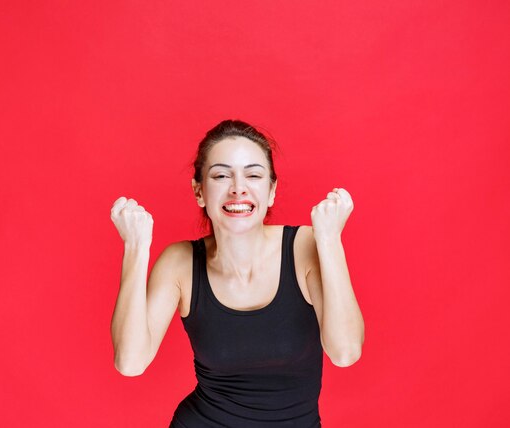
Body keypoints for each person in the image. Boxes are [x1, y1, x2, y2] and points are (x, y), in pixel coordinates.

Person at [110, 119, 364, 427]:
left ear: (271, 191)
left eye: (254, 175)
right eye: (220, 175)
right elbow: (131, 362)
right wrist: (136, 247)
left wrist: (330, 240)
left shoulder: (306, 248)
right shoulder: (179, 262)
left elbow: (346, 351)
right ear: (199, 192)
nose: (238, 188)